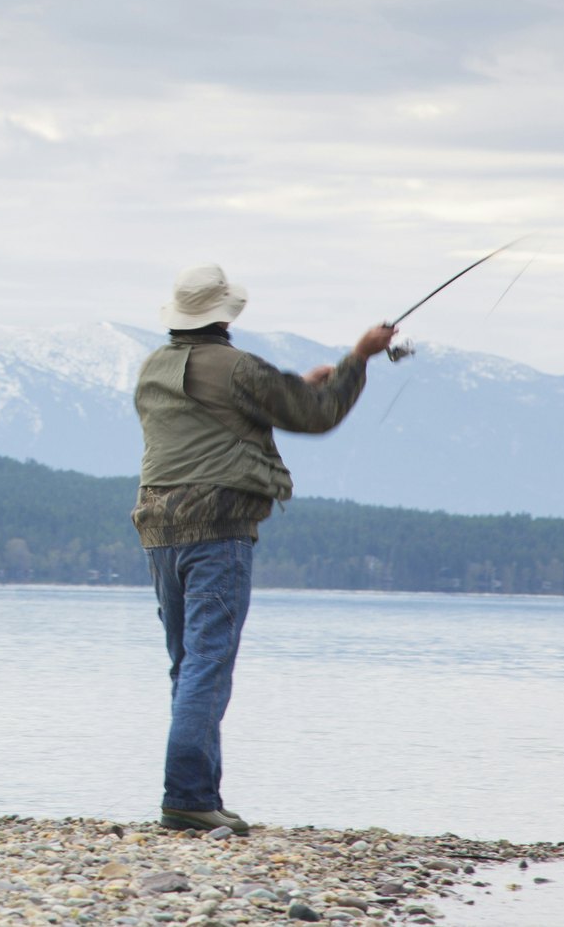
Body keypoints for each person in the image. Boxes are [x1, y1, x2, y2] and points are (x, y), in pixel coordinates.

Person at [132, 262, 396, 835]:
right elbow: (317, 416)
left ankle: (201, 795)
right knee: (209, 663)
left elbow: (215, 417)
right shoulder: (239, 368)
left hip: (157, 529)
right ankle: (185, 797)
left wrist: (294, 386)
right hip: (220, 528)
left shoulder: (152, 367)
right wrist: (359, 358)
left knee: (189, 665)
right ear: (226, 314)